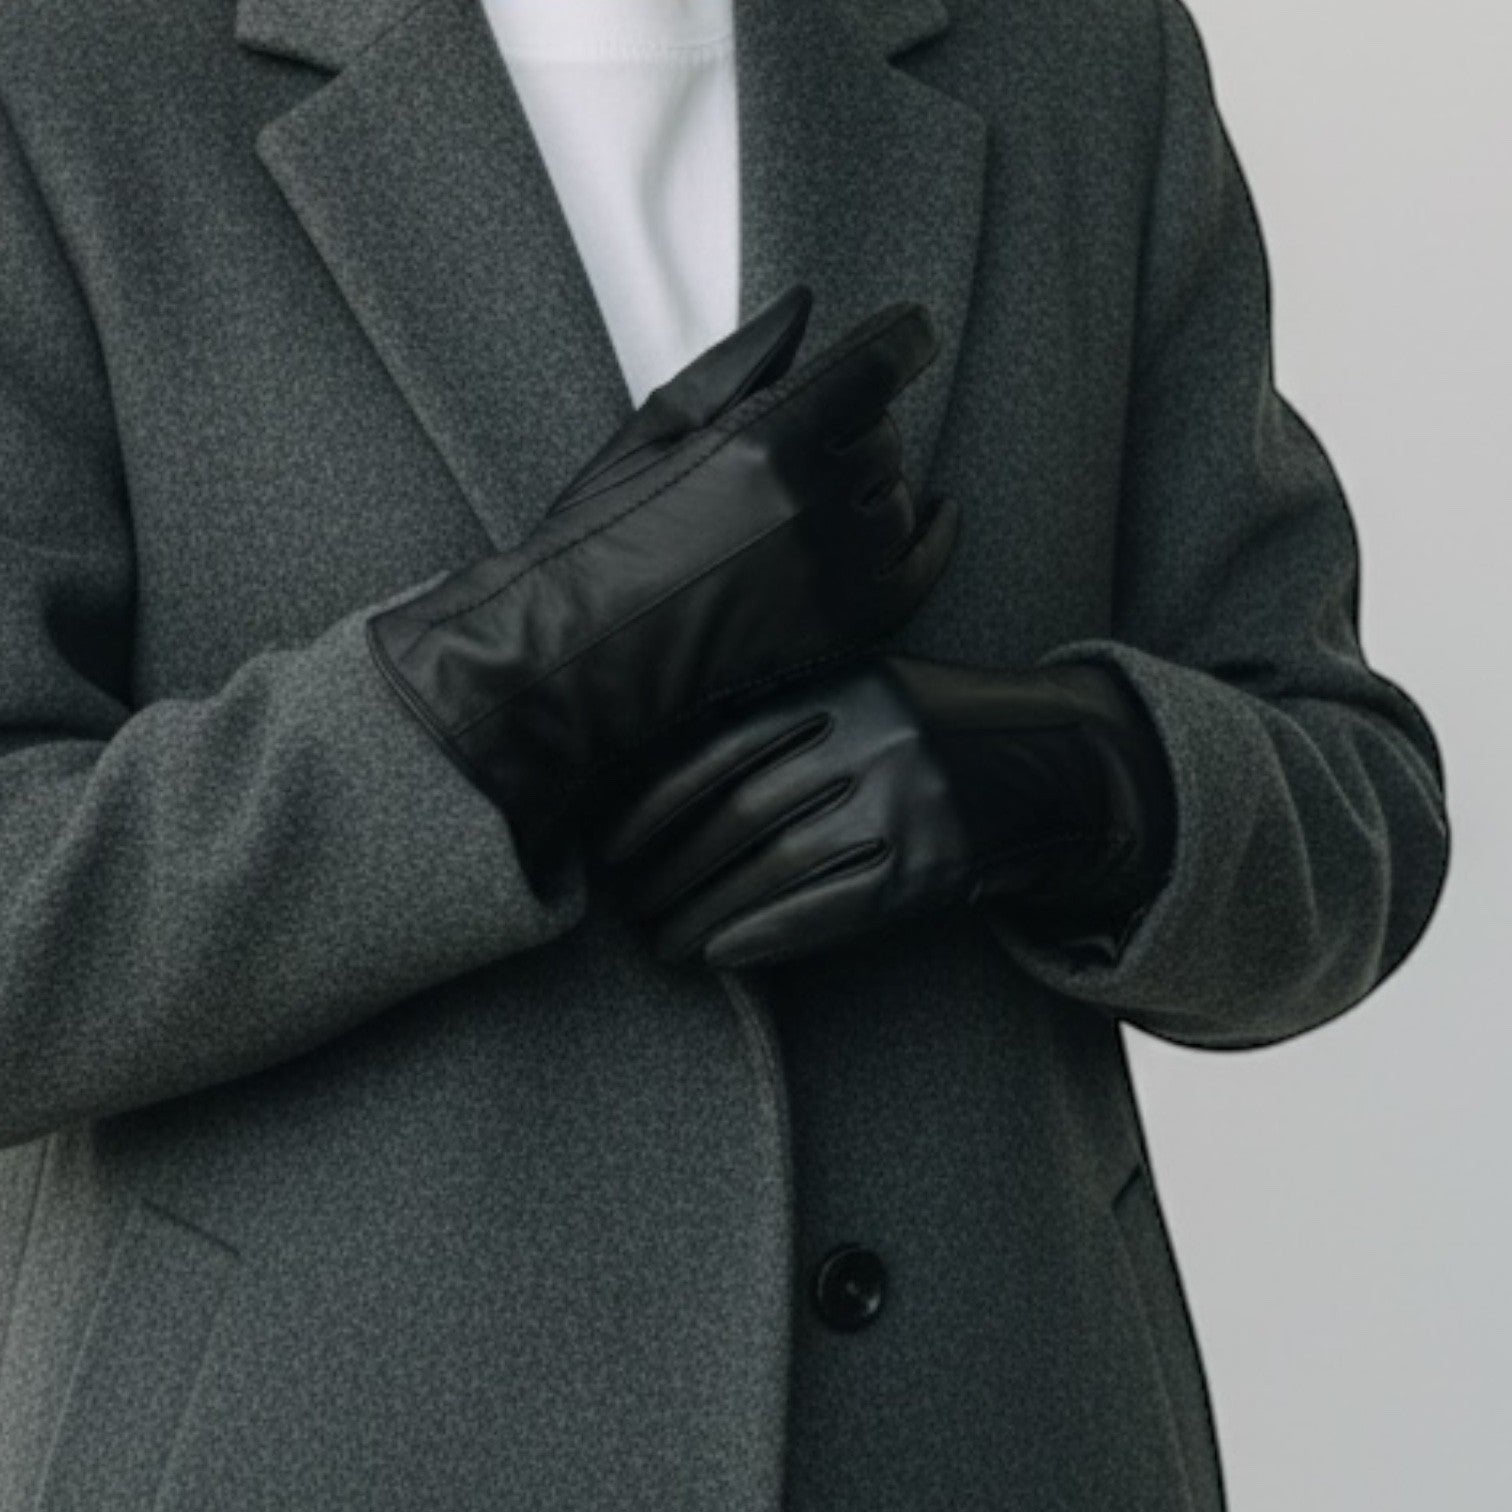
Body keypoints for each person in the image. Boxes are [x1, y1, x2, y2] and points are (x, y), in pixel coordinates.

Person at [0, 0, 1449, 1508]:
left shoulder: (1085, 54)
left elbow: (1362, 812)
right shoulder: (62, 67)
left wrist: (1094, 780)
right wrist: (505, 675)